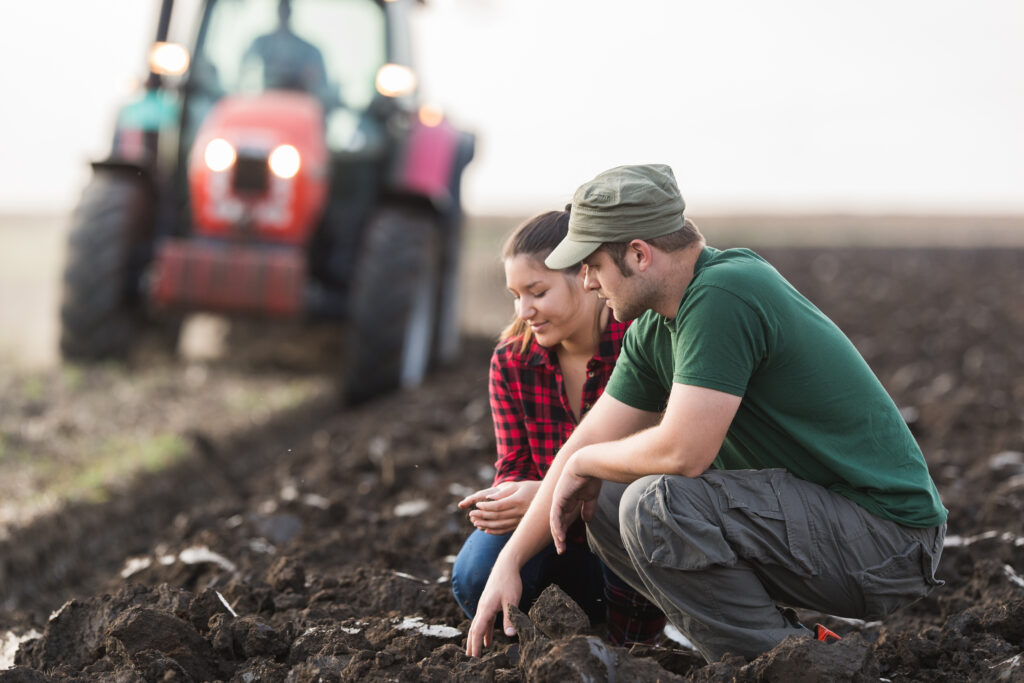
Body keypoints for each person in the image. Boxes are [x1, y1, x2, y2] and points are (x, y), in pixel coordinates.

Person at [466, 164, 947, 663]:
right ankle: (783, 652)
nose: (587, 283)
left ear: (637, 254)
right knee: (607, 499)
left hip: (887, 540)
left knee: (655, 503)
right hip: (819, 525)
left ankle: (798, 667)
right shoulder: (653, 327)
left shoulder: (724, 293)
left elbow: (683, 452)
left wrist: (584, 464)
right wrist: (511, 562)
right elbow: (583, 444)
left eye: (592, 266)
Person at [452, 209, 665, 646]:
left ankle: (632, 643)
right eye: (515, 295)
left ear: (586, 276)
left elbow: (659, 466)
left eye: (537, 291)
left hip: (629, 537)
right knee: (475, 574)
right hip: (552, 539)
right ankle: (545, 635)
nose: (523, 310)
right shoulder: (512, 358)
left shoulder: (639, 345)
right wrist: (516, 496)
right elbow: (514, 464)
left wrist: (554, 495)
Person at [242, 0, 328, 95]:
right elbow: (246, 76)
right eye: (282, 9)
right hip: (262, 100)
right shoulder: (259, 44)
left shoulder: (310, 51)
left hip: (299, 101)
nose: (284, 12)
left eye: (286, 9)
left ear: (290, 11)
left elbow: (322, 88)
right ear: (277, 10)